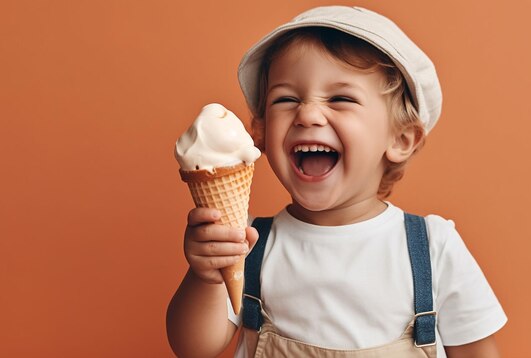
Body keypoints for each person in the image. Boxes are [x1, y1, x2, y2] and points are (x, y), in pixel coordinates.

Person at [167, 6, 507, 358]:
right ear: (260, 133)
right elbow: (194, 348)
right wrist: (205, 277)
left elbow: (477, 352)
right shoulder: (248, 243)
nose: (308, 114)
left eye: (340, 99)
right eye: (286, 99)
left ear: (401, 139)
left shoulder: (433, 248)